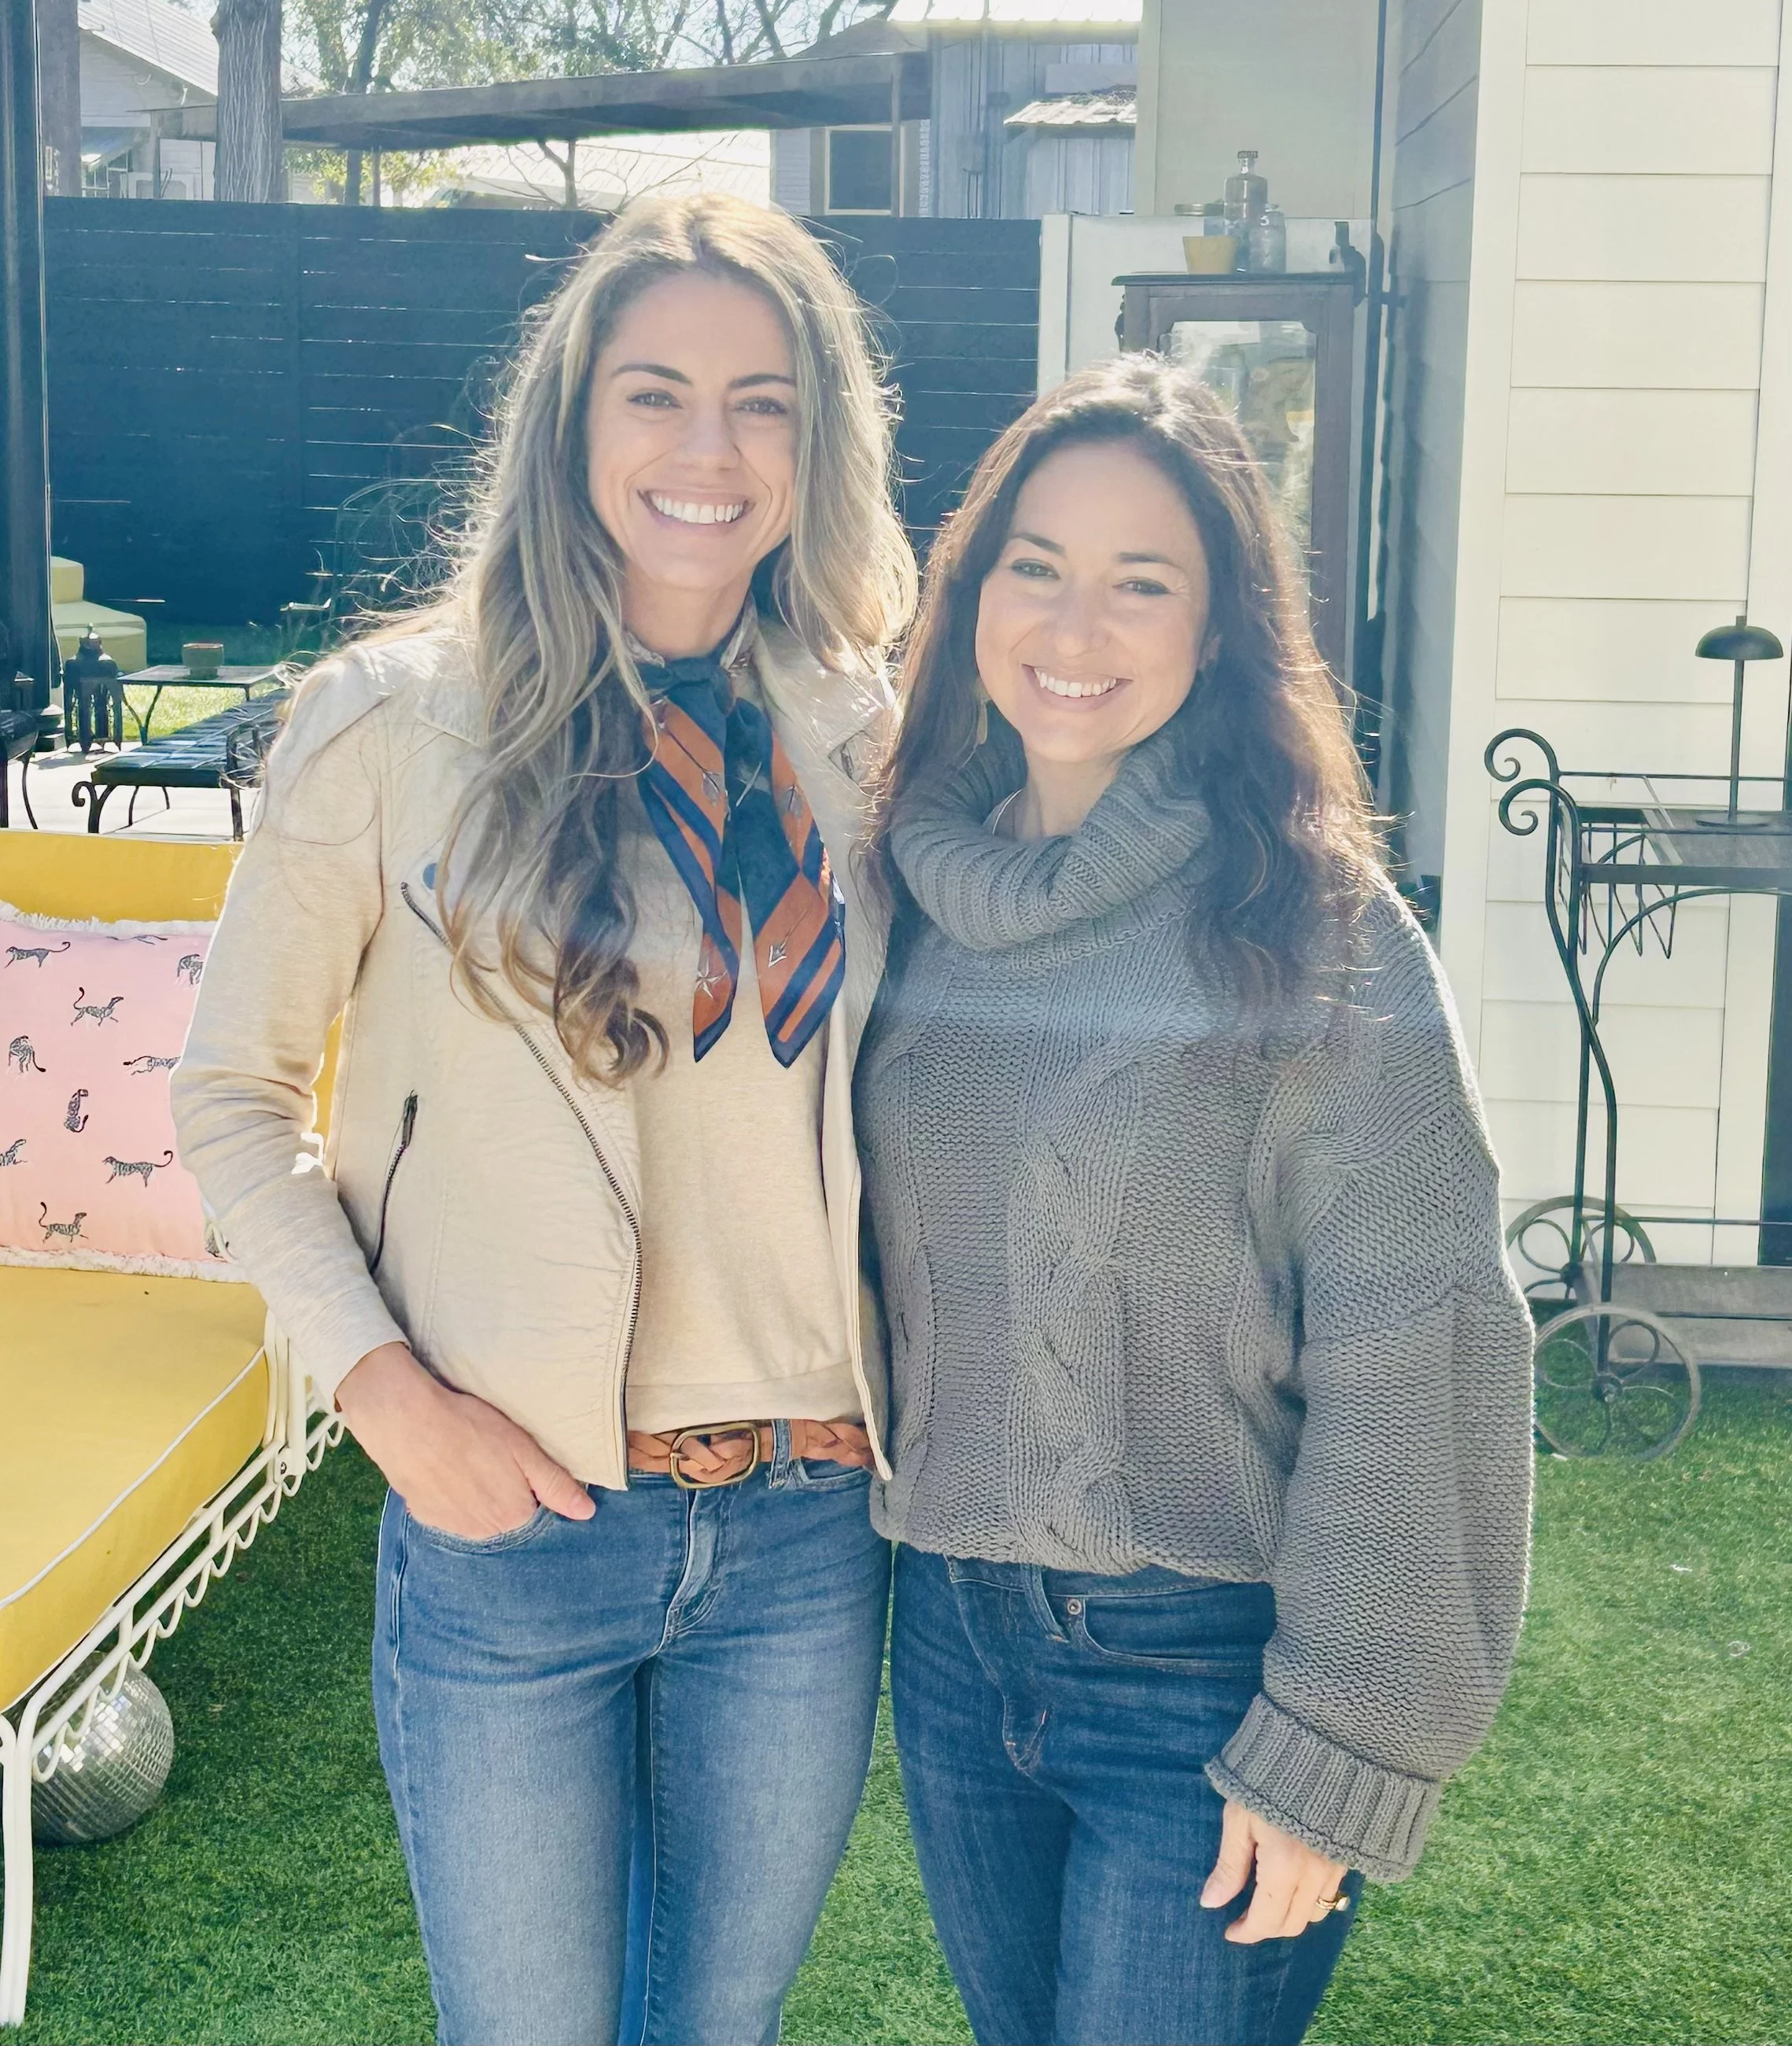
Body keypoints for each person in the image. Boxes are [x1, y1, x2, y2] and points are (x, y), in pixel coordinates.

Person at [173, 192, 915, 2046]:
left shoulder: (869, 731)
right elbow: (230, 1096)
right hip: (516, 1512)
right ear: (569, 422)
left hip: (809, 1522)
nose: (706, 450)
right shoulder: (391, 721)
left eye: (761, 403)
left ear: (816, 443)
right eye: (653, 393)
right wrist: (381, 1391)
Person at [854, 356, 1536, 2046]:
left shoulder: (1310, 926)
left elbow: (1420, 1343)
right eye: (1035, 565)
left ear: (1220, 626)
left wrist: (1337, 1738)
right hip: (945, 1639)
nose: (1074, 625)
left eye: (1137, 582)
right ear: (971, 591)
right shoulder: (902, 892)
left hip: (1203, 1673)